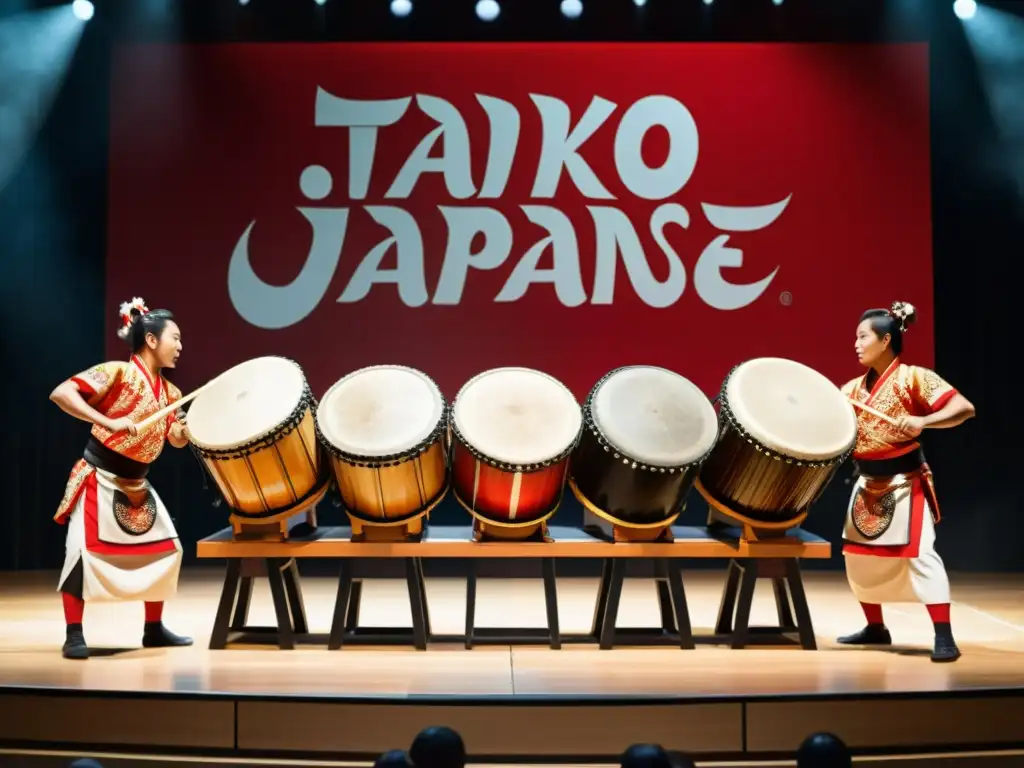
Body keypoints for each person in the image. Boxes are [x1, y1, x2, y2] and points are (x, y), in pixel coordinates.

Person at [49, 297, 193, 659]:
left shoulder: (171, 394)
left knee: (166, 550)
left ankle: (154, 628)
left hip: (137, 483)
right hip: (99, 476)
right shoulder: (117, 373)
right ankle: (74, 634)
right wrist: (108, 421)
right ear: (151, 341)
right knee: (82, 555)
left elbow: (173, 438)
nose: (180, 346)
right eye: (174, 338)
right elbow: (62, 393)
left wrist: (181, 433)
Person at [838, 301, 975, 662]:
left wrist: (922, 422)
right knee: (858, 559)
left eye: (862, 337)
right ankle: (875, 627)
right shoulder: (851, 390)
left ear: (885, 341)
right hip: (867, 482)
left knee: (921, 556)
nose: (856, 343)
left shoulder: (914, 377)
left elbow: (963, 407)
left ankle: (944, 635)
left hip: (905, 481)